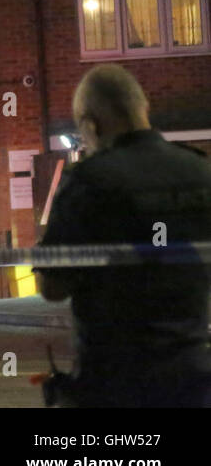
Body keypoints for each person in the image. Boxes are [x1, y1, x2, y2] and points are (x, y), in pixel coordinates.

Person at [36, 64, 211, 407]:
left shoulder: (89, 182)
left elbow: (52, 288)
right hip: (192, 378)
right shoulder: (201, 172)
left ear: (91, 124)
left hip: (115, 380)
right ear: (143, 108)